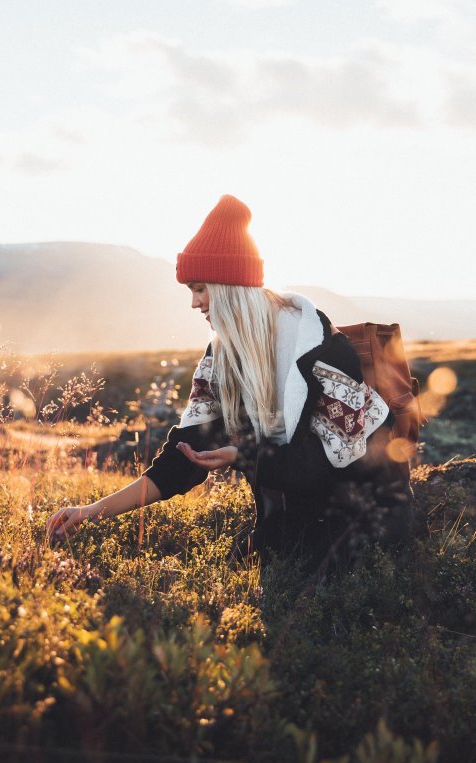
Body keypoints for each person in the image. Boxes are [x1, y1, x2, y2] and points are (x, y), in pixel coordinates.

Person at [47, 195, 412, 570]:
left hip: (368, 515)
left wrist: (246, 456)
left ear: (231, 286)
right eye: (191, 290)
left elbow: (331, 463)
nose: (194, 303)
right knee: (249, 564)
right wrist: (94, 511)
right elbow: (183, 456)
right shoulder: (221, 357)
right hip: (299, 512)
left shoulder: (319, 349)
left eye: (201, 288)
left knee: (314, 589)